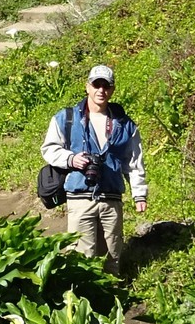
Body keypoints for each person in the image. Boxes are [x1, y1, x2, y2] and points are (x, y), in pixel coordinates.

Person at [39, 64, 146, 269]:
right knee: (81, 258)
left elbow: (134, 161)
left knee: (112, 256)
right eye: (96, 85)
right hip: (79, 197)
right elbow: (49, 149)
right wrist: (71, 159)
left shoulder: (125, 124)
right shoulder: (66, 118)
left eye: (106, 86)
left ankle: (113, 295)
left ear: (112, 90)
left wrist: (139, 194)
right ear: (87, 86)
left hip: (111, 198)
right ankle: (81, 299)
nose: (101, 90)